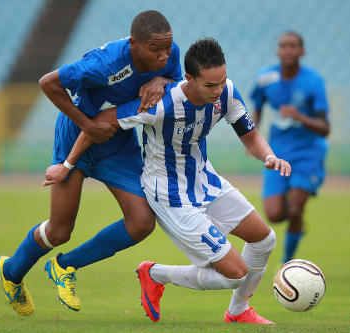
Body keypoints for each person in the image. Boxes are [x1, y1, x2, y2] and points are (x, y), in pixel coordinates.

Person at [44, 38, 291, 324]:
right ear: (189, 78)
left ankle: (238, 312)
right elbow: (100, 123)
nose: (218, 90)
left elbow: (250, 137)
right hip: (171, 198)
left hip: (205, 182)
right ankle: (155, 273)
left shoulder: (227, 93)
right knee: (236, 275)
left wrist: (269, 156)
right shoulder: (160, 104)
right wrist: (67, 164)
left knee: (264, 241)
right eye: (210, 85)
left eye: (221, 81)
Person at [0, 10, 183, 316]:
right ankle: (11, 273)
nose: (164, 56)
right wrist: (87, 123)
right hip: (77, 137)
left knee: (142, 223)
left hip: (119, 142)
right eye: (155, 51)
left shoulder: (169, 51)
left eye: (166, 49)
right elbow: (48, 83)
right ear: (134, 44)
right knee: (59, 231)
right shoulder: (104, 63)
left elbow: (176, 77)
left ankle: (64, 267)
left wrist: (162, 79)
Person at [250, 32, 330, 264]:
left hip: (308, 151)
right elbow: (257, 104)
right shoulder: (265, 78)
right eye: (283, 46)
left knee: (294, 209)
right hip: (277, 151)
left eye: (293, 46)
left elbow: (325, 127)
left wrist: (299, 117)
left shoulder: (313, 81)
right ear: (277, 51)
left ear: (302, 51)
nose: (288, 50)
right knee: (274, 215)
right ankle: (298, 224)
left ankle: (287, 263)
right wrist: (251, 136)